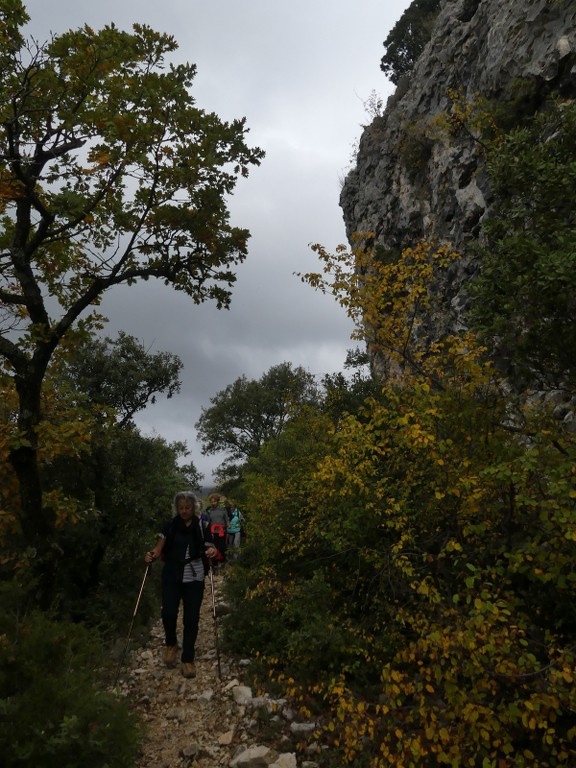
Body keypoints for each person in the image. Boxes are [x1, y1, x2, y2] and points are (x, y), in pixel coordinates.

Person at [145, 491, 218, 678]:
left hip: (194, 576)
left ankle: (188, 658)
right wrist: (151, 555)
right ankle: (171, 644)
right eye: (181, 508)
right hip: (172, 574)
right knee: (168, 612)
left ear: (193, 507)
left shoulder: (203, 525)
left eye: (187, 507)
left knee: (191, 619)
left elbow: (211, 546)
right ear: (176, 508)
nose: (184, 511)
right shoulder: (169, 526)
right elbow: (158, 547)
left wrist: (211, 551)